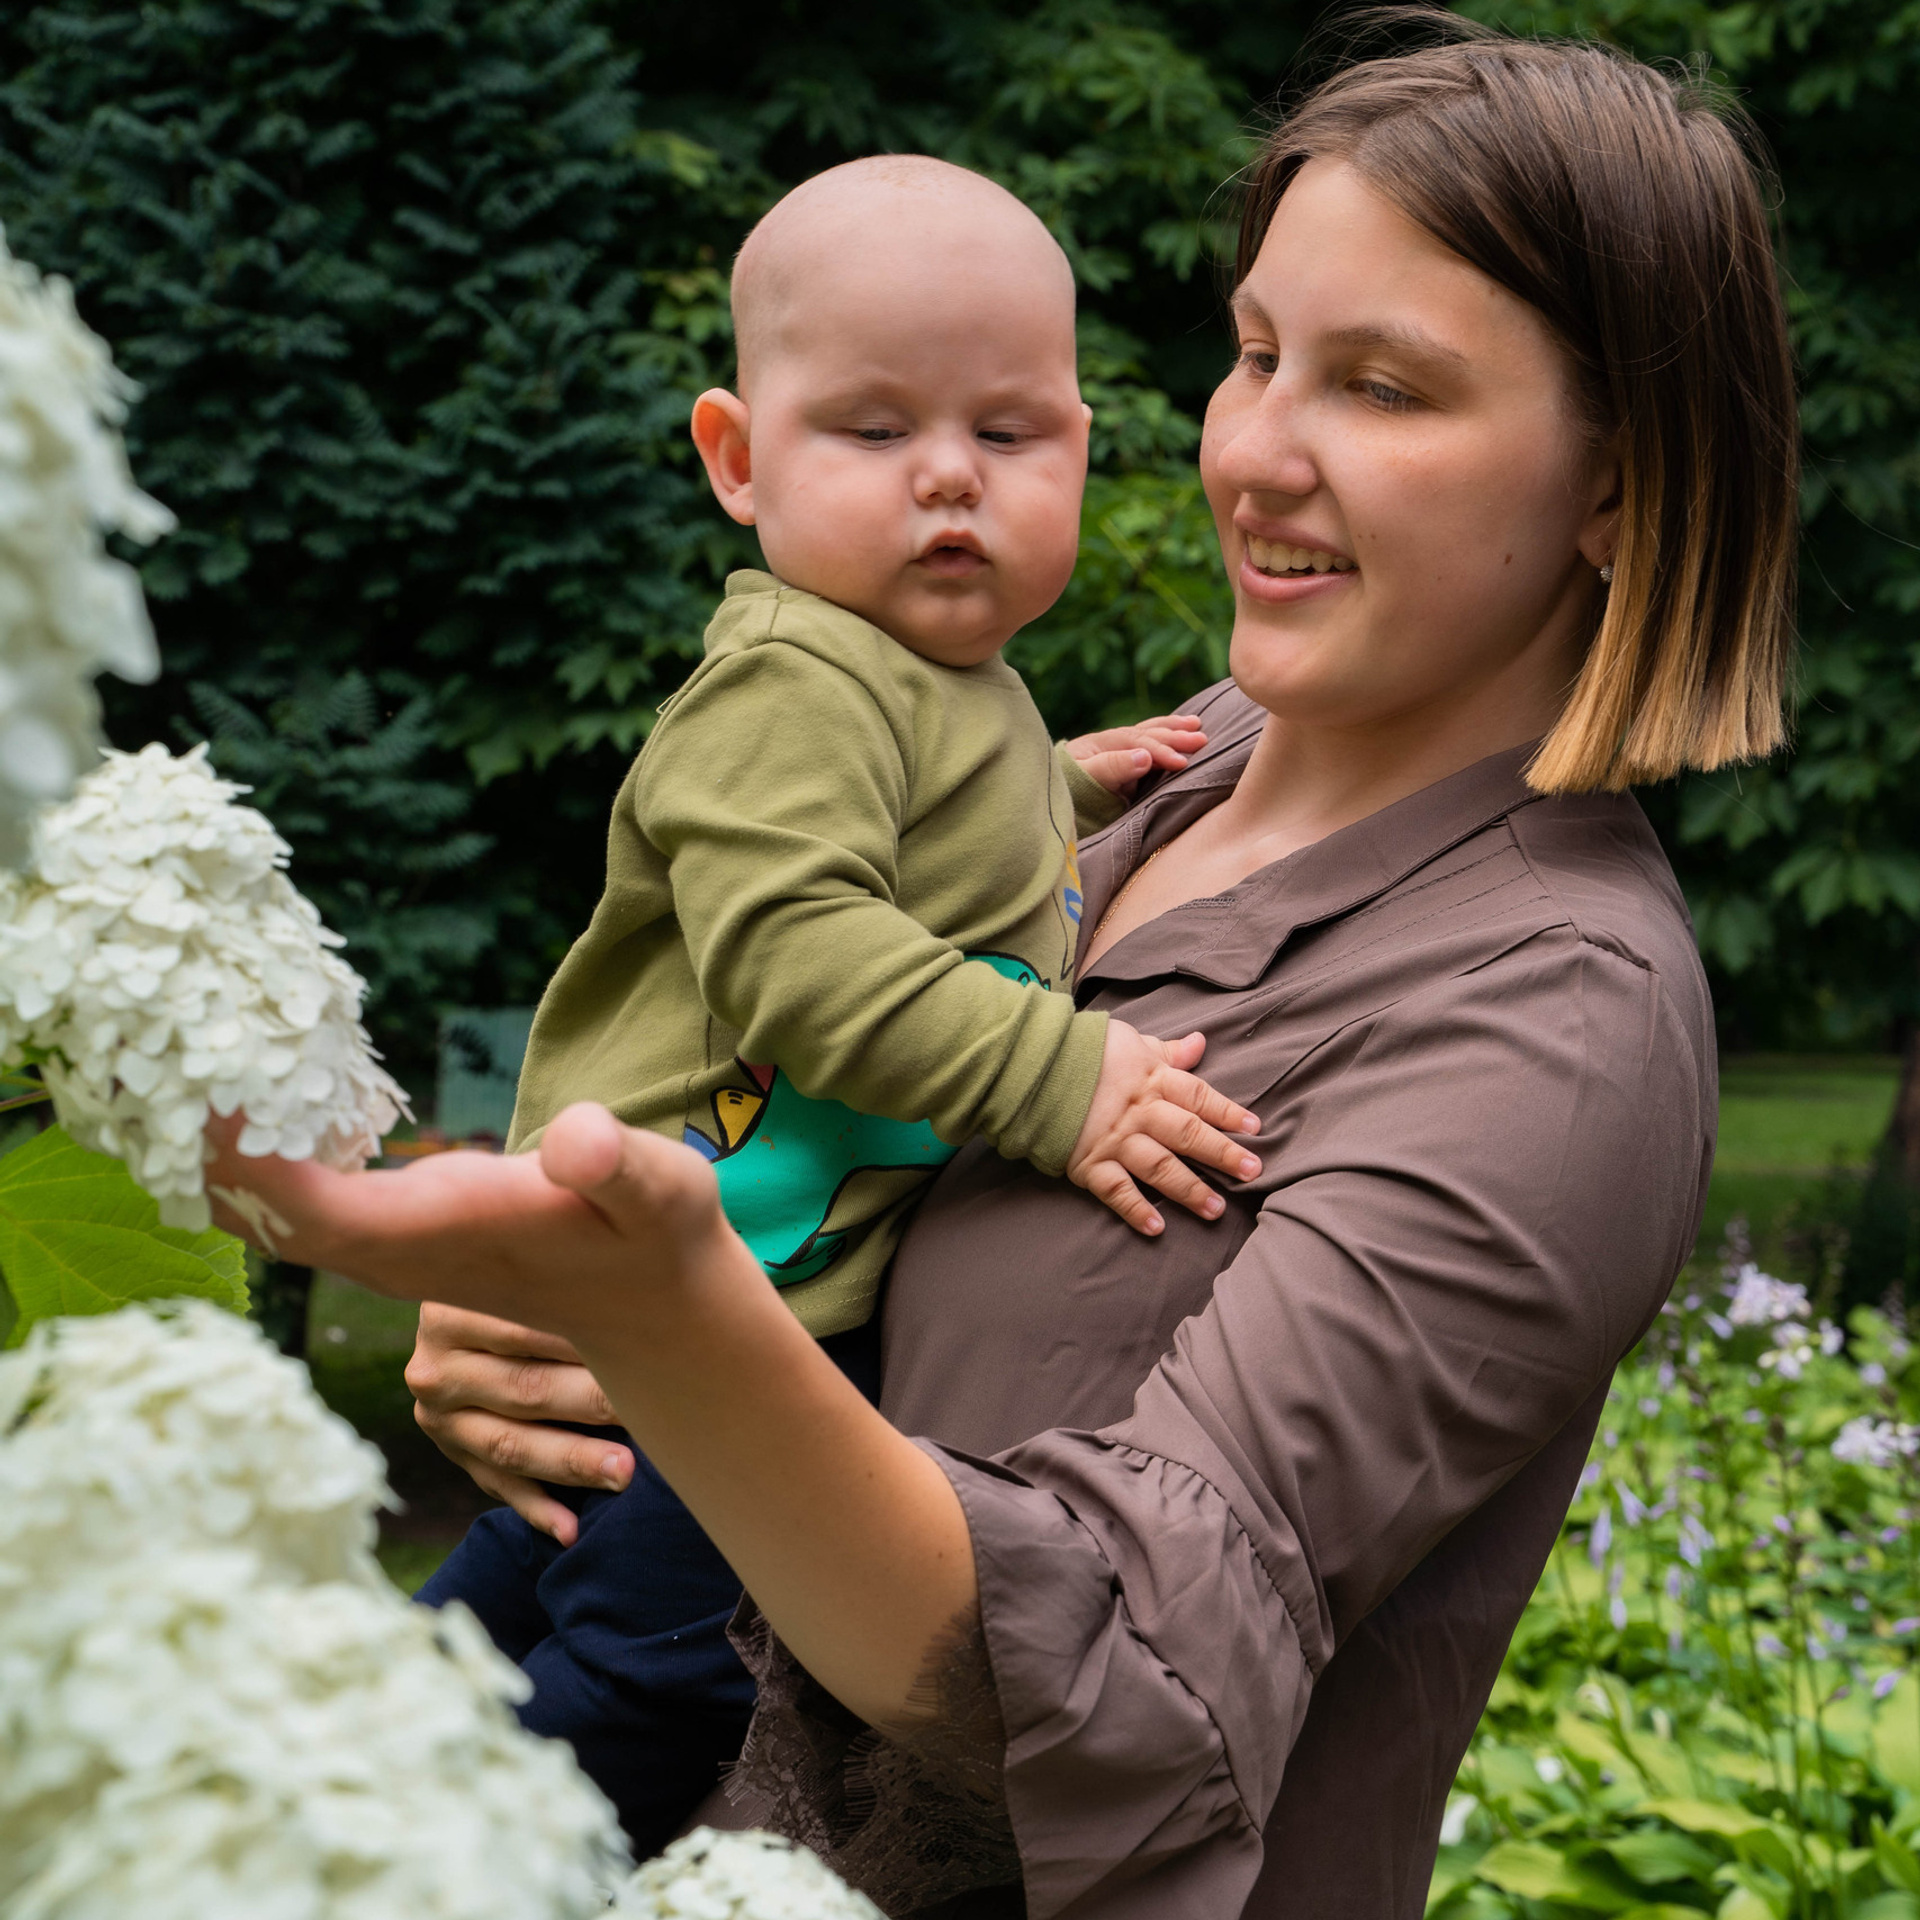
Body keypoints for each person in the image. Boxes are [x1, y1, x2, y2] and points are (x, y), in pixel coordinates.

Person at [207, 21, 1798, 1917]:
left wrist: (678, 1314)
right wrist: (554, 1346)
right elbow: (785, 1105)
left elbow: (1117, 1687)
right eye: (1259, 351)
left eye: (1382, 389)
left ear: (1623, 485)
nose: (1258, 450)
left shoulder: (1554, 1016)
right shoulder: (1130, 779)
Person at [412, 154, 1261, 1850]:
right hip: (711, 1317)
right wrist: (1060, 1075)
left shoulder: (952, 688)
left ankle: (312, 1777)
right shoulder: (797, 677)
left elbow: (937, 850)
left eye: (1007, 434)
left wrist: (1068, 787)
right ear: (738, 458)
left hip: (697, 1313)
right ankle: (455, 1872)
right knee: (668, 1673)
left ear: (1080, 452)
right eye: (873, 432)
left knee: (513, 1588)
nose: (948, 478)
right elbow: (804, 955)